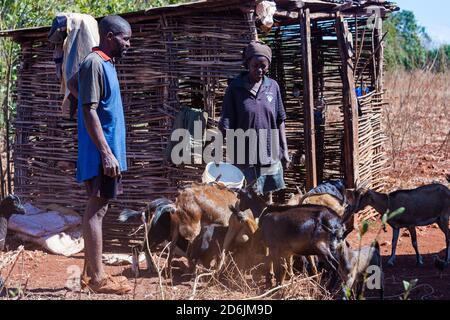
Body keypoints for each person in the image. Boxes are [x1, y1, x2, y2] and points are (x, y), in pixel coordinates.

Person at [68, 15, 132, 294]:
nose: (128, 44)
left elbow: (72, 82)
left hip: (104, 152)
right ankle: (98, 279)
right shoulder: (95, 63)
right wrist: (106, 153)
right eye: (125, 39)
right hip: (100, 154)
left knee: (98, 208)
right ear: (109, 37)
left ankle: (88, 274)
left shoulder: (102, 64)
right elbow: (88, 110)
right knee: (97, 210)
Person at [219, 40, 290, 198]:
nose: (259, 70)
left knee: (267, 198)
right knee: (246, 199)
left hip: (269, 150)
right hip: (245, 155)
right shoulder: (235, 88)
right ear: (247, 64)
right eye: (255, 65)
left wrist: (284, 149)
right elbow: (226, 124)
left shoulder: (273, 86)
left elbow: (280, 119)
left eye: (263, 66)